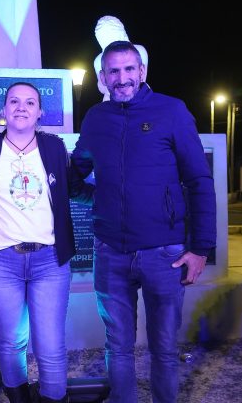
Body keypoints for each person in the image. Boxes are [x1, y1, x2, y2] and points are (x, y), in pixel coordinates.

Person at [71, 41, 217, 402]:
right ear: (103, 77)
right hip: (111, 253)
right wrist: (96, 197)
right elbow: (77, 172)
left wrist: (200, 248)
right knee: (117, 346)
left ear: (142, 71)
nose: (122, 78)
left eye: (128, 69)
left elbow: (199, 180)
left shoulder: (172, 111)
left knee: (164, 349)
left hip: (164, 254)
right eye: (114, 71)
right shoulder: (95, 118)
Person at [0, 82, 76, 403]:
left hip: (50, 261)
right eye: (14, 101)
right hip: (1, 261)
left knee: (50, 345)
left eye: (30, 102)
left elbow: (72, 188)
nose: (21, 107)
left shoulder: (54, 147)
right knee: (12, 340)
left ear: (40, 111)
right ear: (4, 109)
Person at [93, 16, 148, 100]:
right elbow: (102, 87)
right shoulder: (98, 60)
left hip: (137, 95)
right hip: (112, 97)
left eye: (129, 69)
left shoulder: (139, 50)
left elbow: (141, 80)